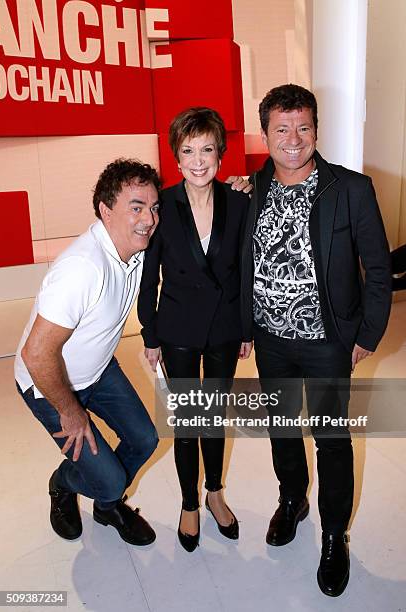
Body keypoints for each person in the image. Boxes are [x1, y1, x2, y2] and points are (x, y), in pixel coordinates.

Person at [240, 84, 392, 596]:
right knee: (283, 428)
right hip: (272, 340)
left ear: (316, 130)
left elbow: (377, 265)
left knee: (330, 438)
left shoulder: (350, 188)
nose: (293, 139)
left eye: (303, 127)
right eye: (281, 128)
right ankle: (292, 500)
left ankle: (334, 537)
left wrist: (368, 333)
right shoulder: (253, 188)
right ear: (265, 134)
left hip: (328, 342)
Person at [15, 159, 161, 546]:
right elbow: (37, 354)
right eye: (136, 207)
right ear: (105, 209)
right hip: (49, 383)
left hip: (97, 370)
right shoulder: (83, 268)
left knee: (144, 439)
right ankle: (64, 483)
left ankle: (105, 503)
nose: (148, 218)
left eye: (153, 207)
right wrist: (70, 410)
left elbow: (193, 210)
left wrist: (240, 188)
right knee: (110, 475)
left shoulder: (135, 247)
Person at [138, 107, 252, 552]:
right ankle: (189, 502)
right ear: (176, 158)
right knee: (187, 420)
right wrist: (149, 333)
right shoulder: (163, 205)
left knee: (215, 417)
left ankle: (215, 492)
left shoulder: (240, 202)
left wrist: (246, 327)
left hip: (225, 326)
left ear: (221, 155)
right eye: (189, 150)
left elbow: (246, 271)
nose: (199, 159)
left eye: (207, 149)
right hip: (178, 328)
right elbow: (150, 277)